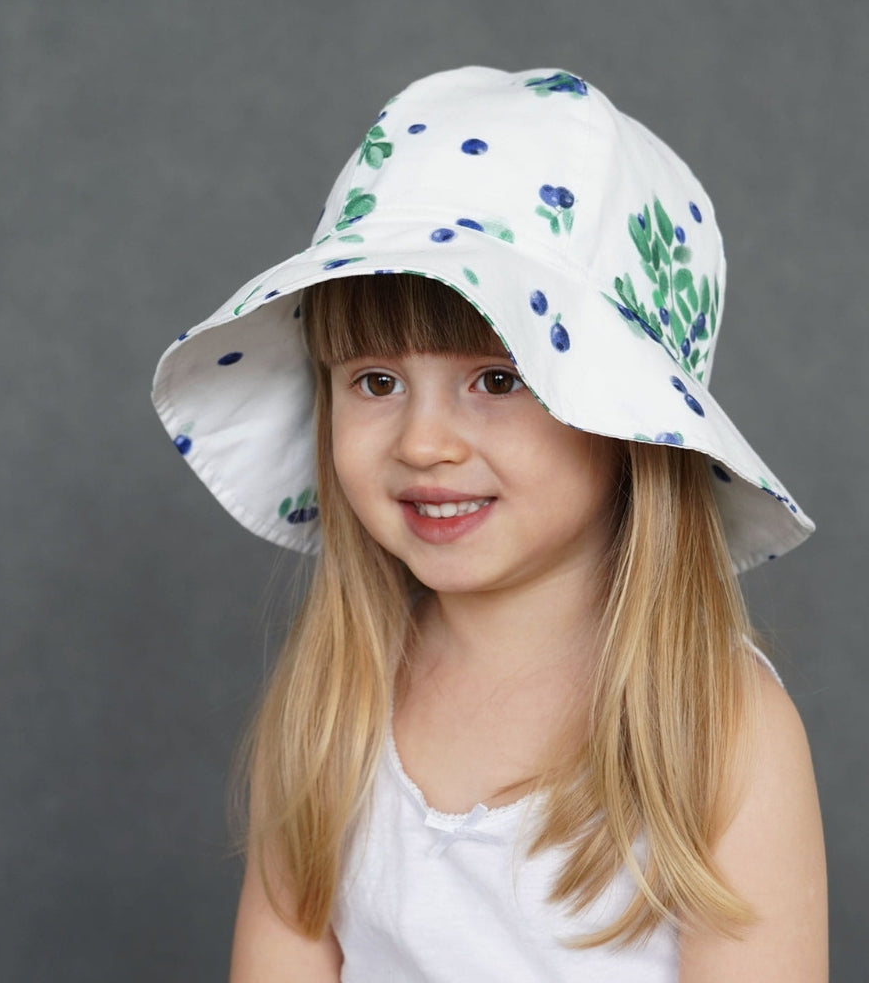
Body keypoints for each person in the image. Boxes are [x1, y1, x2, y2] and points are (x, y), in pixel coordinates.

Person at [152, 66, 827, 981]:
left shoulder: (718, 727)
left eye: (498, 380)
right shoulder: (337, 705)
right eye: (376, 382)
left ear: (627, 420)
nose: (423, 443)